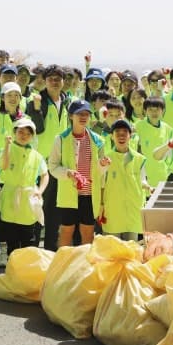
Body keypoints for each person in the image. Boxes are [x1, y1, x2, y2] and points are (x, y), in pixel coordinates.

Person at [48, 100, 108, 248]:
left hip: (89, 194)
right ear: (70, 116)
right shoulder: (60, 139)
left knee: (88, 231)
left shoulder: (98, 140)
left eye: (87, 114)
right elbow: (53, 166)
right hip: (68, 194)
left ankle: (85, 266)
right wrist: (68, 173)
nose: (83, 117)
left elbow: (100, 173)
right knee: (66, 230)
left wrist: (103, 165)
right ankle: (63, 265)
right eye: (79, 114)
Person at [25, 64, 70, 251]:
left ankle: (52, 250)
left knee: (56, 210)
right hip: (41, 163)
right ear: (44, 80)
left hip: (61, 163)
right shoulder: (36, 101)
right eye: (50, 78)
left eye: (58, 78)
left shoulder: (68, 102)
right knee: (38, 207)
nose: (54, 81)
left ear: (63, 81)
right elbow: (38, 129)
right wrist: (36, 109)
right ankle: (33, 250)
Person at [0, 119, 48, 256]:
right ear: (14, 133)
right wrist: (7, 146)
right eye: (20, 132)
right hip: (10, 198)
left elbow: (45, 175)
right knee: (12, 239)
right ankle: (12, 270)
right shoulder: (6, 149)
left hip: (28, 200)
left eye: (27, 133)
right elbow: (4, 166)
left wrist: (40, 190)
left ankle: (26, 272)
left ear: (32, 136)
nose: (24, 135)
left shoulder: (37, 156)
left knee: (28, 239)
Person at [98, 120, 149, 241]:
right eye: (117, 133)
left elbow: (142, 180)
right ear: (112, 136)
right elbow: (101, 184)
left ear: (130, 136)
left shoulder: (139, 159)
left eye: (125, 132)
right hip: (113, 210)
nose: (121, 136)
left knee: (131, 250)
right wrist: (100, 206)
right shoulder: (106, 159)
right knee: (112, 249)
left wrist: (148, 186)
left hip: (133, 210)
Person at [135, 97, 173, 190]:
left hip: (163, 174)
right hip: (144, 174)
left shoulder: (168, 129)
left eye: (157, 109)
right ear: (145, 111)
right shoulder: (138, 126)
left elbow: (171, 154)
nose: (154, 112)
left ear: (163, 111)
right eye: (150, 109)